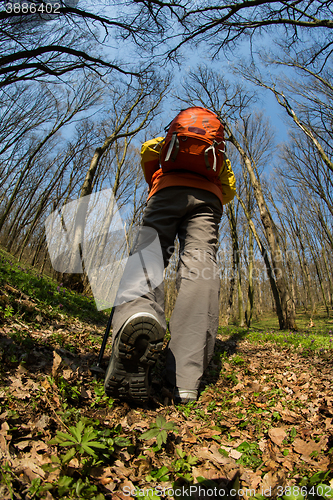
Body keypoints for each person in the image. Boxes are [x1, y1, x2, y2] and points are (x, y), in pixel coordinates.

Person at [104, 107, 235, 404]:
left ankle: (138, 314)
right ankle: (185, 379)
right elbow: (228, 190)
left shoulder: (166, 141)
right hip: (208, 199)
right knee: (201, 265)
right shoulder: (219, 158)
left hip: (165, 189)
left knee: (147, 255)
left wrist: (162, 177)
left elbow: (148, 155)